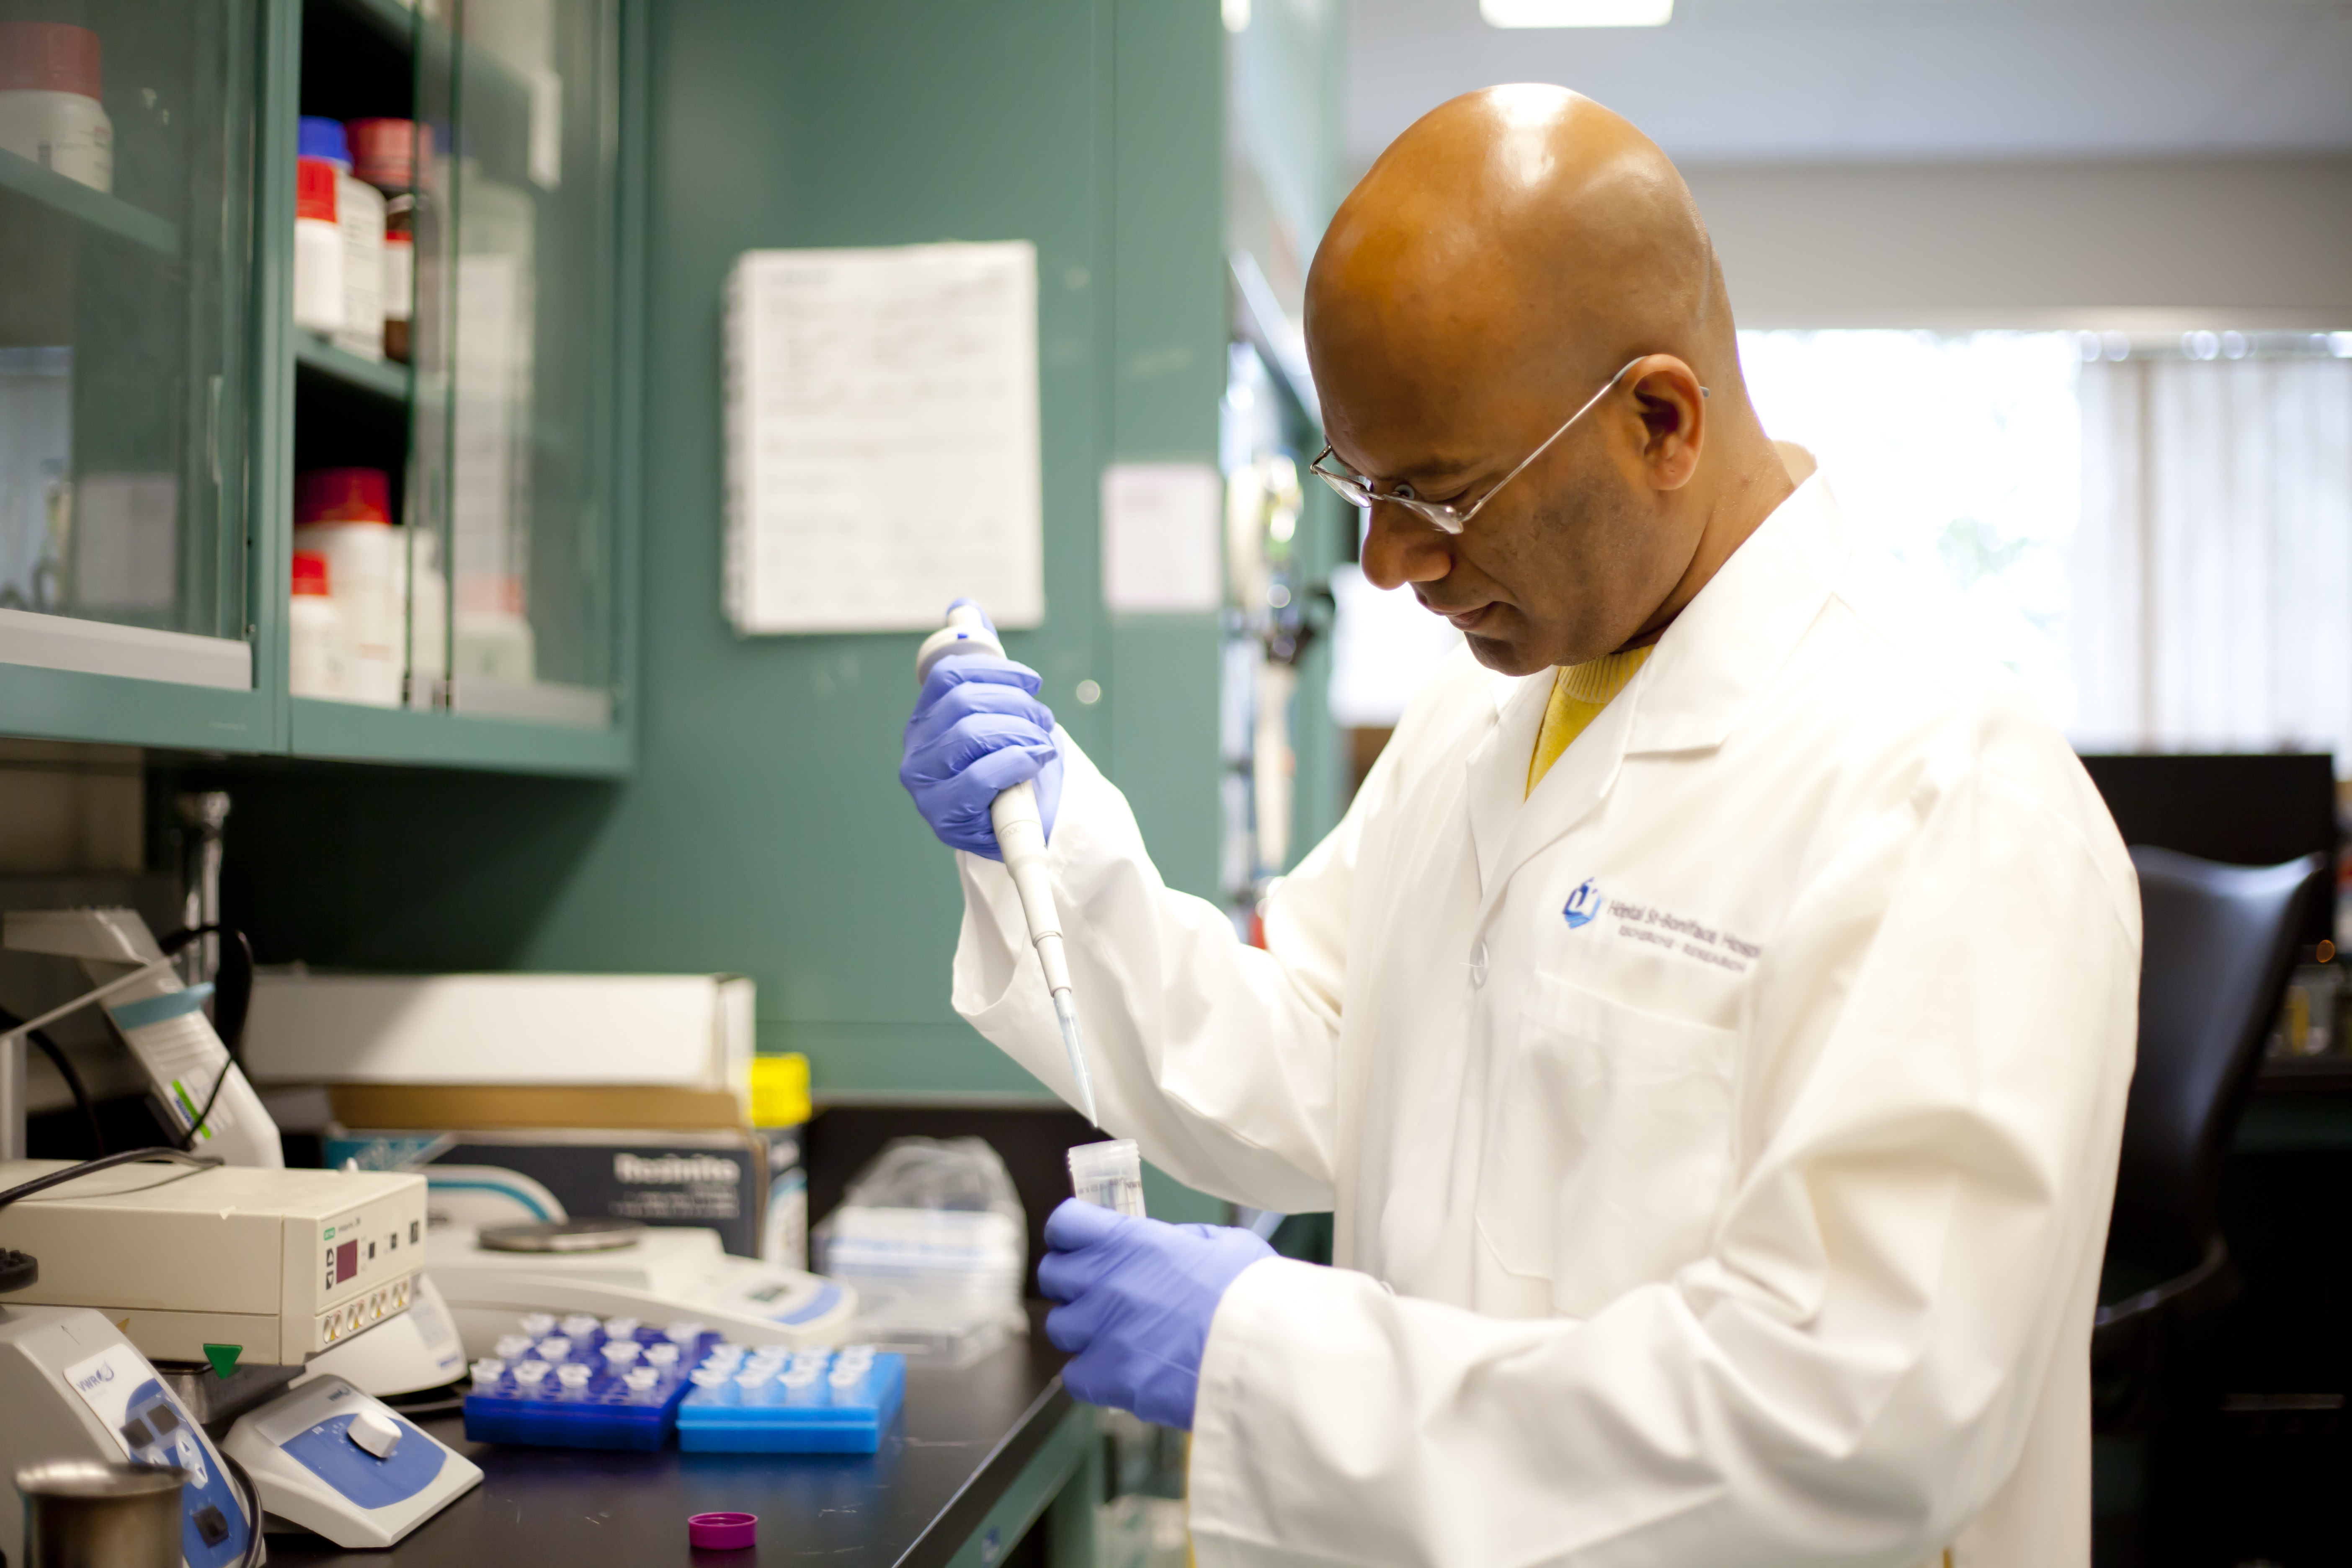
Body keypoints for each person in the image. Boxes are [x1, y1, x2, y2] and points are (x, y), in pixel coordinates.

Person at [900, 85, 2137, 1568]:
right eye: (1360, 484)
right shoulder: (1488, 717)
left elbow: (1857, 1422)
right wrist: (1048, 851)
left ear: (1660, 420)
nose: (1386, 563)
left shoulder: (1947, 798)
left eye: (1443, 493)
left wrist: (1280, 1366)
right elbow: (1313, 1061)